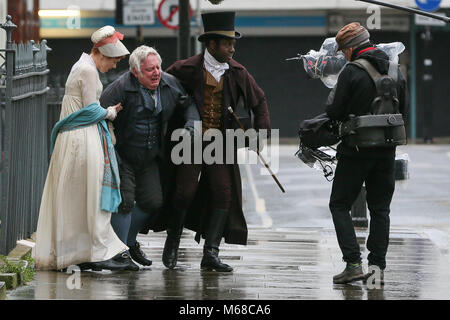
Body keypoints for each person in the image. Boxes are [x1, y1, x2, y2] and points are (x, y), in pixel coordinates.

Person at [161, 11, 271, 272]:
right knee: (183, 192)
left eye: (233, 43)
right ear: (211, 44)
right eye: (227, 43)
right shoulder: (184, 69)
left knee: (224, 193)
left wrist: (261, 134)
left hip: (221, 143)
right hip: (189, 142)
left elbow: (260, 101)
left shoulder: (238, 72)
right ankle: (173, 242)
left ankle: (211, 253)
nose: (233, 48)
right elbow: (162, 89)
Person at [34, 26, 132, 271]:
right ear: (103, 54)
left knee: (76, 196)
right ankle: (96, 252)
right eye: (114, 61)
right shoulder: (88, 70)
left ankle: (81, 253)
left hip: (76, 137)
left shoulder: (81, 65)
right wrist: (110, 112)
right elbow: (90, 110)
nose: (114, 66)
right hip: (82, 139)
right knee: (90, 195)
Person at [99, 45, 199, 270]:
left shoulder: (168, 83)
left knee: (153, 202)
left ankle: (130, 242)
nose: (156, 73)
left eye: (158, 67)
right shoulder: (120, 88)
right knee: (124, 202)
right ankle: (118, 253)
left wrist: (192, 126)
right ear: (135, 72)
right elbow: (99, 113)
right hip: (121, 155)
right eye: (149, 70)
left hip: (150, 157)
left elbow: (189, 103)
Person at [325, 22, 408, 284]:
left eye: (343, 51)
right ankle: (377, 269)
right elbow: (402, 109)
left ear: (350, 49)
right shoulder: (396, 70)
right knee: (381, 208)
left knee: (339, 204)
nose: (343, 56)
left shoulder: (351, 71)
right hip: (386, 149)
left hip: (356, 149)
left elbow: (334, 111)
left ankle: (352, 264)